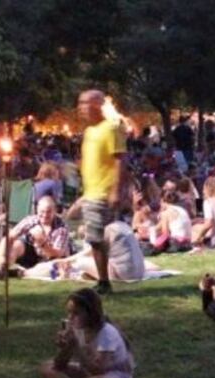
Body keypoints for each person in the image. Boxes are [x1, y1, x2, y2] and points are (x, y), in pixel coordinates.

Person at [69, 89, 126, 295]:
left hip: (103, 191)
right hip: (90, 191)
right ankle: (104, 278)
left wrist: (116, 191)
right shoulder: (89, 131)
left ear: (97, 105)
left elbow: (120, 159)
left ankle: (104, 281)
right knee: (94, 237)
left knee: (95, 237)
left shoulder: (111, 128)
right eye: (79, 103)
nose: (81, 108)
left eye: (85, 103)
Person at [40, 288, 134, 378]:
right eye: (69, 312)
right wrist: (64, 348)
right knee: (46, 367)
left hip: (112, 374)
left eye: (76, 313)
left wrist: (76, 348)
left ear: (91, 313)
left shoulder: (107, 333)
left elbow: (98, 371)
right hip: (86, 370)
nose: (70, 317)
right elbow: (59, 365)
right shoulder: (76, 328)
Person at [0, 196, 71, 279]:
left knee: (57, 266)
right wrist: (1, 258)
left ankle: (20, 273)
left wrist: (42, 242)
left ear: (55, 211)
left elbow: (57, 254)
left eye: (48, 212)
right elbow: (8, 238)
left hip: (50, 258)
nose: (45, 215)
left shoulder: (62, 228)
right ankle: (0, 269)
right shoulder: (30, 221)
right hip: (31, 254)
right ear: (37, 210)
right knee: (17, 244)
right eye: (42, 211)